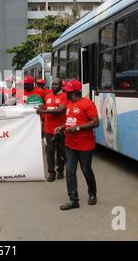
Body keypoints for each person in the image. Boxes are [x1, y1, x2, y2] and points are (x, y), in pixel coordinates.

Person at [56, 79, 99, 211]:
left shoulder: (87, 104)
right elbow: (70, 121)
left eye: (67, 92)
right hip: (70, 144)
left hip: (85, 145)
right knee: (70, 172)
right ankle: (73, 200)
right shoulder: (69, 103)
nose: (65, 94)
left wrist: (78, 128)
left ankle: (92, 193)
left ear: (74, 92)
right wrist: (62, 127)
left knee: (86, 170)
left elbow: (95, 122)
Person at [37, 78, 67, 182]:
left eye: (56, 84)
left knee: (60, 151)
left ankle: (60, 171)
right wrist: (39, 108)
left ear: (60, 85)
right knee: (49, 151)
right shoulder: (48, 95)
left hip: (60, 129)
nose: (54, 86)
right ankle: (51, 172)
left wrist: (44, 111)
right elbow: (44, 106)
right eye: (53, 84)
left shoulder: (64, 96)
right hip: (48, 129)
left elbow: (60, 110)